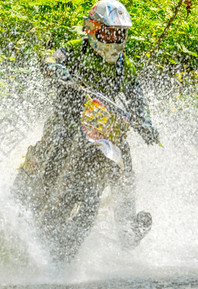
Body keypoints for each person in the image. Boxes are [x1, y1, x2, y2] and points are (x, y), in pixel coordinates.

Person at [21, 0, 159, 248]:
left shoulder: (124, 66)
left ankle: (127, 227)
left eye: (120, 33)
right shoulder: (76, 49)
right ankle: (28, 189)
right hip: (67, 120)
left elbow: (137, 98)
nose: (115, 39)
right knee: (54, 142)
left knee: (124, 157)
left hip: (101, 128)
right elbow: (50, 58)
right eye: (109, 32)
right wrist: (56, 68)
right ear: (93, 29)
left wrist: (145, 123)